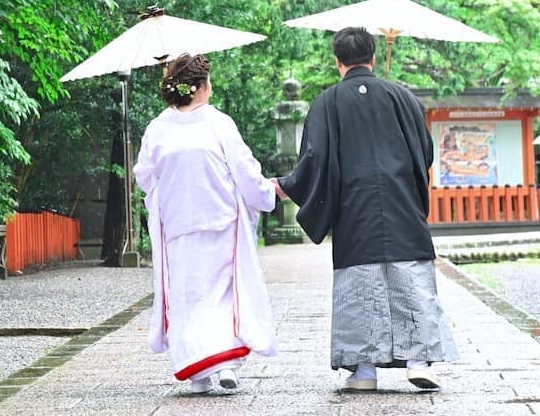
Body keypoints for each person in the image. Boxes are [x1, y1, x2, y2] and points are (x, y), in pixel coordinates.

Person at [271, 26, 458, 391]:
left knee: (361, 284)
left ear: (337, 61)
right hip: (402, 203)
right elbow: (425, 152)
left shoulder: (327, 102)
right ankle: (420, 361)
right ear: (373, 57)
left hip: (354, 209)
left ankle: (364, 371)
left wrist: (287, 186)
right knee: (411, 280)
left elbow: (314, 157)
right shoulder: (404, 97)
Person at [134, 53, 277, 395]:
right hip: (220, 221)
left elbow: (144, 176)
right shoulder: (218, 123)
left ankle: (199, 372)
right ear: (198, 88)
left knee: (187, 296)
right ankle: (225, 365)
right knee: (223, 294)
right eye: (207, 83)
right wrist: (265, 194)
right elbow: (243, 169)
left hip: (179, 225)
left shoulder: (157, 128)